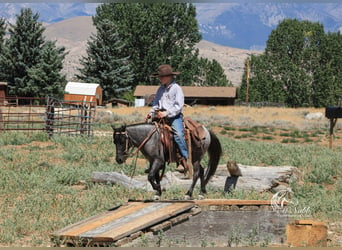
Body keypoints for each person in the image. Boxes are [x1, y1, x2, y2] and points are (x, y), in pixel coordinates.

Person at [146, 64, 189, 174]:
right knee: (150, 134)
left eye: (162, 77)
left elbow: (178, 106)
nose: (160, 79)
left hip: (174, 116)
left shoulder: (176, 88)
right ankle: (155, 161)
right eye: (159, 77)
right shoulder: (160, 89)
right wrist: (151, 113)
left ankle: (184, 158)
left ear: (169, 76)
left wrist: (166, 113)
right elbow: (156, 103)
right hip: (159, 115)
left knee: (178, 134)